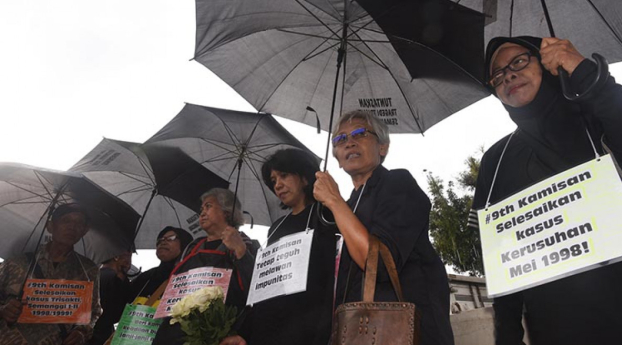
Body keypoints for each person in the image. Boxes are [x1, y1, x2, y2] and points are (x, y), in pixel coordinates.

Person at [472, 36, 622, 345]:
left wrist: (584, 73)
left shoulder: (599, 117)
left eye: (519, 62)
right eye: (497, 74)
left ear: (547, 64)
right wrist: (507, 337)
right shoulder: (496, 162)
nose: (507, 74)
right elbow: (501, 262)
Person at [313, 110, 454, 345]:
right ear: (336, 157)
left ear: (383, 148)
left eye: (360, 133)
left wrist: (334, 201)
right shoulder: (346, 207)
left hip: (407, 333)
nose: (349, 142)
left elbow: (378, 264)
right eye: (340, 139)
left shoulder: (397, 183)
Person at [222, 149, 337, 345]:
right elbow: (266, 285)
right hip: (269, 329)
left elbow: (328, 279)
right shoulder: (276, 228)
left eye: (284, 176)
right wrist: (245, 331)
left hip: (309, 329)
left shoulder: (326, 215)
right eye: (273, 180)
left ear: (304, 178)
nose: (278, 185)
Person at [152, 188, 259, 345]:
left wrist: (240, 251)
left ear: (227, 212)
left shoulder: (246, 243)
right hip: (177, 334)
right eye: (201, 209)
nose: (202, 213)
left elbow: (254, 289)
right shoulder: (193, 247)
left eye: (208, 206)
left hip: (220, 334)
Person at [0, 203, 102, 345]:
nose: (72, 227)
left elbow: (94, 311)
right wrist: (3, 310)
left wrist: (82, 332)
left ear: (85, 230)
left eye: (79, 223)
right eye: (66, 220)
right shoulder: (16, 263)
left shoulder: (88, 270)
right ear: (50, 226)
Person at [129, 227, 193, 303]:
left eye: (170, 238)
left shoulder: (192, 278)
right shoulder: (145, 278)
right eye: (160, 239)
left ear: (185, 244)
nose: (163, 242)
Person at [89, 251, 132, 345]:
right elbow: (119, 311)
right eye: (128, 255)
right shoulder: (114, 279)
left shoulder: (94, 275)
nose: (129, 261)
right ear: (116, 257)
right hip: (103, 335)